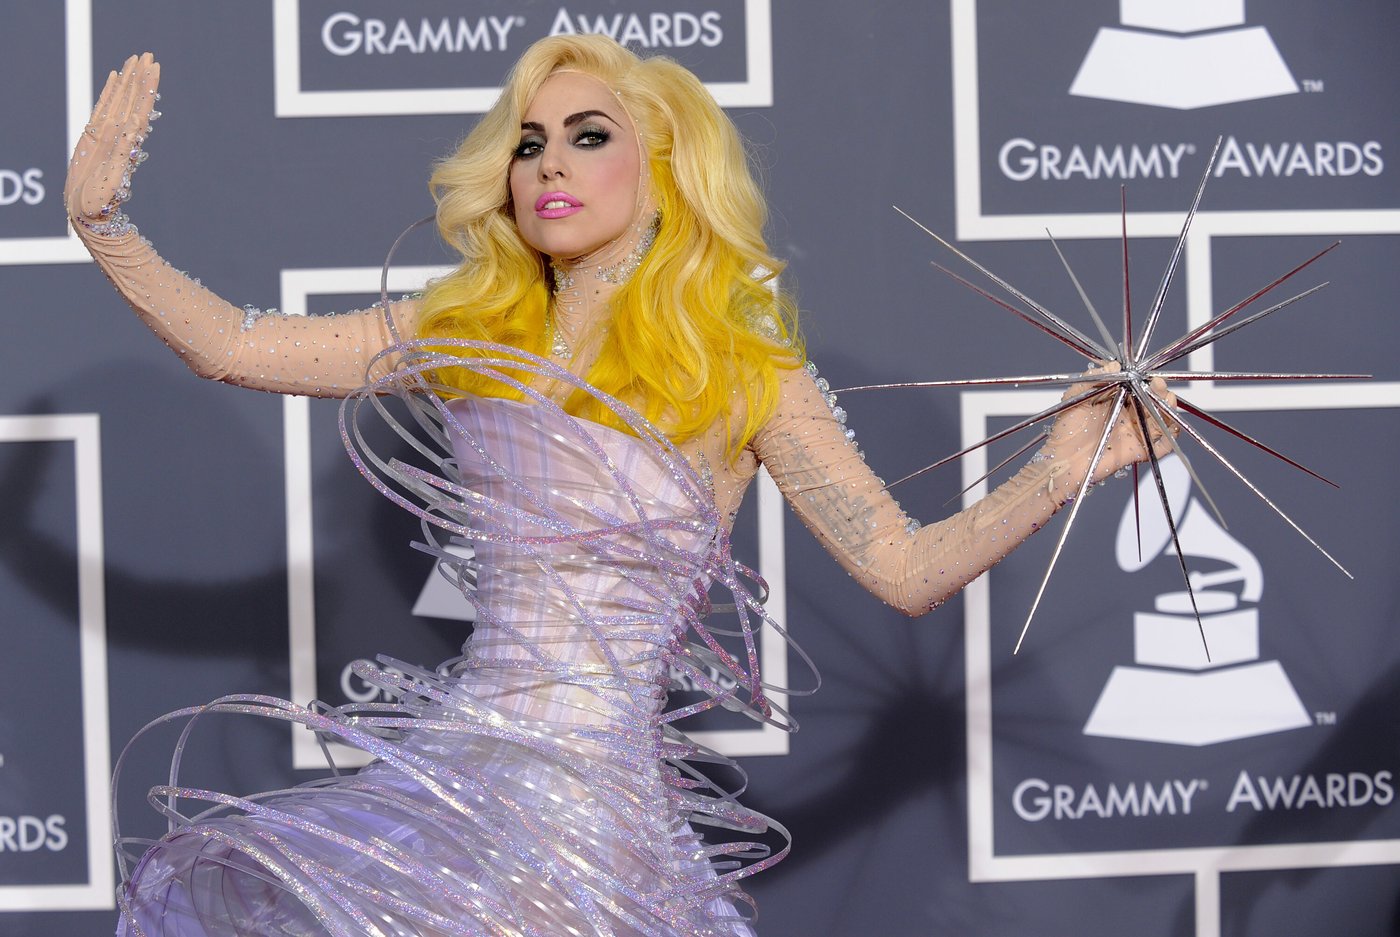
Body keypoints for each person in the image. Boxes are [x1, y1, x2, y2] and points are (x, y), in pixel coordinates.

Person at [69, 37, 1169, 937]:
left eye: (588, 137)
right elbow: (231, 344)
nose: (547, 163)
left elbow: (902, 567)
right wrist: (105, 227)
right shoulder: (464, 330)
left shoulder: (743, 373)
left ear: (664, 169)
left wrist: (1056, 469)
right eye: (529, 142)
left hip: (598, 824)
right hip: (456, 795)